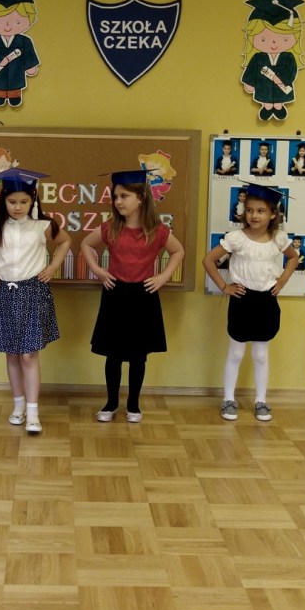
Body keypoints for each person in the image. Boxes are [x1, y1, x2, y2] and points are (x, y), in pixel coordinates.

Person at [0, 168, 71, 434]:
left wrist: (53, 267)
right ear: (3, 199)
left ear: (33, 199)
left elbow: (65, 242)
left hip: (33, 292)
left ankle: (33, 412)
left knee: (29, 354)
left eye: (23, 201)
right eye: (12, 201)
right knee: (12, 353)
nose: (17, 207)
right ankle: (18, 406)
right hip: (5, 293)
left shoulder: (42, 225)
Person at [81, 168, 184, 423]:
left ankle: (134, 405)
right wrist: (98, 271)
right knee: (113, 354)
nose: (118, 201)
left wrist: (162, 277)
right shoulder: (110, 227)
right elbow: (86, 244)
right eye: (115, 197)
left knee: (139, 355)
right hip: (115, 294)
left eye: (124, 196)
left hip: (143, 296)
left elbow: (178, 251)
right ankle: (111, 403)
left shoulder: (157, 230)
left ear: (141, 198)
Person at [202, 182, 299, 422]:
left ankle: (261, 401)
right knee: (236, 352)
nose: (254, 215)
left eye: (261, 211)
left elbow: (293, 258)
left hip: (266, 301)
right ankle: (228, 399)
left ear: (273, 214)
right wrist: (224, 286)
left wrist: (282, 281)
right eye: (250, 210)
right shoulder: (236, 238)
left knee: (261, 355)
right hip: (242, 300)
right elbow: (208, 260)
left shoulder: (278, 238)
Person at [241, 0, 305, 121]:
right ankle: (267, 106)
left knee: (278, 101)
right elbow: (251, 70)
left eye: (284, 39)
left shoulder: (288, 57)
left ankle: (278, 106)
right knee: (267, 101)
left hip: (281, 87)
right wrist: (249, 83)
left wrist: (279, 78)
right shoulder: (258, 58)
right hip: (263, 87)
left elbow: (292, 71)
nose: (274, 43)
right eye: (263, 39)